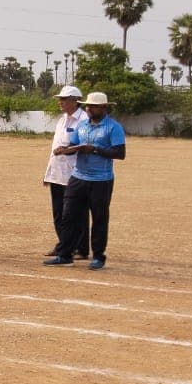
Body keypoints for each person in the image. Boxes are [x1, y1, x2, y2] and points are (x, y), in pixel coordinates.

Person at [44, 92, 125, 270]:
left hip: (101, 180)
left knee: (99, 219)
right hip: (78, 177)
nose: (88, 109)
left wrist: (95, 150)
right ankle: (65, 254)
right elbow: (73, 146)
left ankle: (98, 257)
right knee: (68, 216)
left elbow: (120, 153)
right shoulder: (82, 125)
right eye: (87, 106)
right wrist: (65, 149)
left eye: (93, 106)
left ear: (104, 108)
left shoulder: (113, 127)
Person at [43, 85, 90, 260]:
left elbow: (85, 145)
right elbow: (55, 148)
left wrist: (67, 149)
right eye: (60, 99)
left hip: (75, 174)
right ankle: (64, 245)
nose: (60, 102)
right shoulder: (62, 120)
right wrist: (48, 173)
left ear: (74, 101)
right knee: (58, 212)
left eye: (63, 99)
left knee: (76, 213)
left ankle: (81, 248)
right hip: (57, 173)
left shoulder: (84, 120)